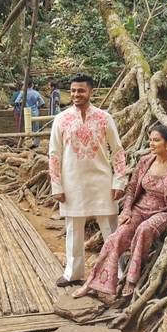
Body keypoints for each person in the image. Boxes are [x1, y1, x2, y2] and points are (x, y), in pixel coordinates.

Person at [73, 125, 167, 298]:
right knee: (115, 238)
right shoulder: (145, 161)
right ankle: (91, 284)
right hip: (139, 209)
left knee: (144, 230)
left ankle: (131, 280)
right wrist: (127, 211)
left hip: (165, 211)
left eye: (156, 140)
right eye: (150, 140)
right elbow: (131, 188)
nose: (151, 144)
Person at [49, 73, 127, 287]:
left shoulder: (104, 117)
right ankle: (73, 273)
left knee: (110, 230)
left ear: (90, 92)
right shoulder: (61, 119)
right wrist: (56, 185)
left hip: (102, 181)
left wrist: (119, 181)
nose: (76, 94)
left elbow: (118, 151)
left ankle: (117, 272)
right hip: (71, 182)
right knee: (73, 229)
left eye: (81, 90)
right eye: (73, 91)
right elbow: (54, 154)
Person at [14, 79, 46, 147]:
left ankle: (26, 143)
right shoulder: (36, 93)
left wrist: (21, 108)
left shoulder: (22, 93)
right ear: (32, 85)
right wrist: (38, 107)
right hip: (35, 113)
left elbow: (16, 102)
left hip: (26, 113)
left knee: (27, 129)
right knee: (36, 129)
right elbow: (43, 103)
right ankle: (36, 144)